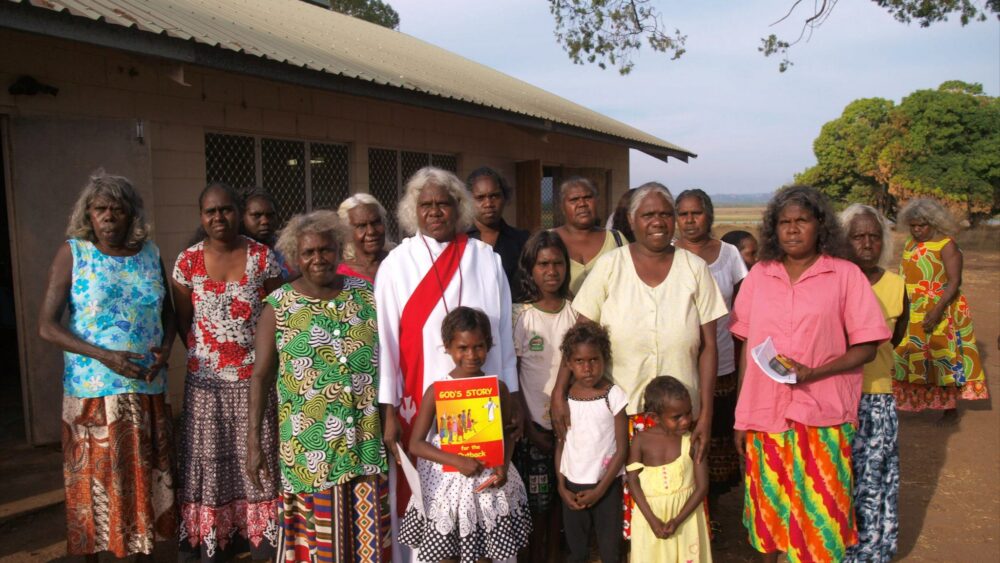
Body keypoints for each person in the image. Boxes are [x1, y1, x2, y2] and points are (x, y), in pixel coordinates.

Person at [731, 185, 891, 563]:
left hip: (824, 416)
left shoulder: (845, 275)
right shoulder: (760, 276)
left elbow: (867, 347)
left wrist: (814, 371)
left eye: (802, 221)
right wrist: (741, 414)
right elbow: (747, 348)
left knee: (821, 516)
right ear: (773, 229)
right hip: (764, 415)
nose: (792, 229)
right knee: (769, 514)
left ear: (820, 225)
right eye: (784, 223)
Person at [374, 167, 521, 557]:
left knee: (482, 498)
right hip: (420, 404)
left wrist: (514, 396)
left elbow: (503, 336)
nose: (435, 211)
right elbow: (386, 343)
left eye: (444, 203)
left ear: (459, 207)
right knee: (430, 504)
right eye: (426, 204)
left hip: (482, 404)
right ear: (412, 211)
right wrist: (388, 412)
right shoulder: (396, 264)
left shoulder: (485, 259)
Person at [39, 170, 176, 560]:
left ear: (133, 215)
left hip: (146, 389)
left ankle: (141, 552)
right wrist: (106, 356)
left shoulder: (150, 253)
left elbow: (169, 313)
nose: (109, 218)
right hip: (93, 395)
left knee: (142, 483)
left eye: (119, 210)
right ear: (89, 213)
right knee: (96, 484)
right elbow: (46, 326)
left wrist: (166, 349)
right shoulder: (74, 253)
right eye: (101, 209)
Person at [247, 210, 390, 562]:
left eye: (325, 250)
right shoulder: (279, 305)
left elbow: (386, 361)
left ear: (339, 250)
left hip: (365, 444)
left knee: (368, 543)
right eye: (309, 252)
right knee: (320, 549)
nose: (318, 259)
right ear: (296, 255)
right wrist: (253, 440)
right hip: (311, 453)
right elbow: (261, 377)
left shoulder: (366, 295)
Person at [553, 183, 726, 460]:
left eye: (666, 214)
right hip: (620, 412)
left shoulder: (695, 268)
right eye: (648, 215)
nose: (658, 222)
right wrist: (558, 393)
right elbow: (580, 338)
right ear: (632, 221)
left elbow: (709, 348)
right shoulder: (610, 266)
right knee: (625, 495)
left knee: (674, 494)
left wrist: (706, 413)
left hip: (680, 416)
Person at [172, 182, 283, 561]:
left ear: (238, 211)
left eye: (226, 210)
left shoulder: (263, 258)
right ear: (200, 216)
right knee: (210, 462)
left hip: (256, 383)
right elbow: (184, 323)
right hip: (205, 386)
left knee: (258, 460)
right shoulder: (186, 263)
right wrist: (214, 360)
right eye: (210, 211)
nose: (219, 217)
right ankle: (216, 540)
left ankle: (263, 542)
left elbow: (277, 317)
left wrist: (248, 365)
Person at [399, 307, 531, 562]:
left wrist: (503, 466)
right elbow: (415, 444)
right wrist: (457, 461)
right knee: (446, 552)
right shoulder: (437, 391)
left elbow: (506, 436)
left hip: (487, 487)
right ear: (448, 347)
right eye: (462, 347)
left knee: (484, 551)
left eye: (479, 346)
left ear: (489, 345)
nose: (472, 355)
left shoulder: (498, 388)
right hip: (446, 486)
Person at [840, 204, 908, 563]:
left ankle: (870, 553)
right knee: (838, 479)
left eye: (873, 236)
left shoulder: (897, 286)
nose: (867, 243)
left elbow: (894, 340)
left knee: (873, 481)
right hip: (834, 398)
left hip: (876, 397)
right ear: (843, 241)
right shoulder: (832, 281)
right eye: (857, 236)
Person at [673, 189, 747, 519]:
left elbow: (744, 311)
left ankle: (711, 514)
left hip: (724, 364)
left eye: (696, 213)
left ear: (709, 215)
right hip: (680, 364)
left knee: (715, 438)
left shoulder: (729, 254)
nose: (689, 220)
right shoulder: (669, 253)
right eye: (683, 214)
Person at [511, 231, 576, 562]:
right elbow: (515, 373)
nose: (552, 271)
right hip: (533, 429)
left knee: (562, 508)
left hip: (570, 430)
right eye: (543, 264)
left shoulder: (577, 312)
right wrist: (529, 426)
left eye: (558, 264)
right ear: (530, 269)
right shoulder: (520, 315)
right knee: (536, 506)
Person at [893, 198, 988, 423]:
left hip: (941, 309)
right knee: (910, 354)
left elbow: (954, 282)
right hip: (912, 309)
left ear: (935, 223)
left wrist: (936, 311)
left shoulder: (947, 245)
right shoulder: (910, 243)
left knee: (941, 359)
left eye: (922, 225)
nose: (917, 230)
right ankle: (912, 401)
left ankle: (950, 407)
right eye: (913, 226)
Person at [555, 323, 628, 563]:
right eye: (579, 361)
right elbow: (561, 444)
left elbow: (622, 449)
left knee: (610, 551)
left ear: (604, 358)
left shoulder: (613, 395)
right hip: (572, 487)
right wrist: (561, 486)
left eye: (594, 360)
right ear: (568, 363)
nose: (587, 368)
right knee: (577, 552)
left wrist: (600, 490)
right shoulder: (565, 399)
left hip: (606, 485)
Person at [627, 376, 712, 563]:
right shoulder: (641, 441)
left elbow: (702, 487)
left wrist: (677, 521)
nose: (685, 421)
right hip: (650, 518)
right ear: (654, 417)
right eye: (677, 417)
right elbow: (632, 481)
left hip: (686, 519)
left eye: (688, 413)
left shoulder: (694, 442)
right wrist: (652, 521)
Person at [552, 177, 626, 295]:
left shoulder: (616, 239)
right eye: (574, 200)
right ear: (562, 207)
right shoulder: (547, 240)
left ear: (597, 201)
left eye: (588, 198)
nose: (582, 204)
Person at [466, 167, 530, 297]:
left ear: (505, 198)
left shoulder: (523, 240)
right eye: (480, 198)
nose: (488, 203)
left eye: (494, 196)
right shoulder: (459, 240)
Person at [336, 193, 391, 285]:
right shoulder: (339, 276)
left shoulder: (399, 263)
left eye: (376, 222)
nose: (371, 231)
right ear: (347, 231)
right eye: (361, 226)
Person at [242, 187, 294, 277]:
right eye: (256, 215)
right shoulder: (236, 251)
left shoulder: (284, 247)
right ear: (241, 217)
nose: (265, 221)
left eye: (270, 215)